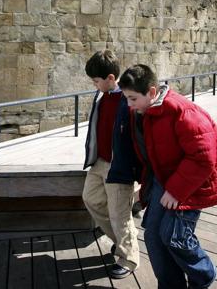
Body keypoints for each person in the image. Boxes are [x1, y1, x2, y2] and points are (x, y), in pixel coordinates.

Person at [119, 64, 217, 289]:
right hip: (167, 179)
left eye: (132, 99)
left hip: (192, 183)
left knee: (174, 236)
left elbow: (203, 158)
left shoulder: (183, 112)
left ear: (152, 93)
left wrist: (175, 190)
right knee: (153, 235)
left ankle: (204, 274)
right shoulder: (147, 111)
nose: (129, 106)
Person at [82, 50, 140, 279]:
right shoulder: (102, 96)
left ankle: (129, 259)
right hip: (99, 162)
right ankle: (123, 242)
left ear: (110, 78)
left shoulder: (127, 99)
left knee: (120, 214)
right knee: (91, 199)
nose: (94, 85)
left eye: (96, 81)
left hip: (118, 166)